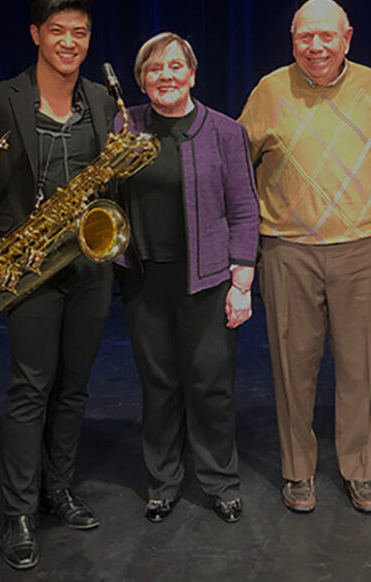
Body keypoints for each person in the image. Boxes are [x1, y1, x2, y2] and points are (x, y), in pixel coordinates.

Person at [0, 0, 115, 570]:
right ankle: (19, 511)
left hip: (88, 263)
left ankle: (58, 489)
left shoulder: (102, 101)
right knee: (29, 388)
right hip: (26, 266)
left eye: (79, 31)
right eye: (57, 30)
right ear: (35, 35)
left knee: (73, 387)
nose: (69, 41)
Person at [238, 0, 371, 514]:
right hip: (289, 252)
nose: (315, 47)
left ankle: (360, 470)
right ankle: (298, 471)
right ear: (292, 39)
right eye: (304, 37)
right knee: (294, 367)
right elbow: (235, 163)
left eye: (326, 36)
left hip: (365, 247)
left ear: (347, 38)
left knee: (363, 367)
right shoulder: (269, 89)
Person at [115, 32, 259, 524]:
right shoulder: (124, 125)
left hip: (209, 279)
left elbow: (244, 209)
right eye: (155, 69)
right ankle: (163, 481)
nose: (166, 76)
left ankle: (220, 480)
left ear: (192, 74)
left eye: (176, 67)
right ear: (142, 80)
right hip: (145, 278)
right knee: (159, 385)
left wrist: (242, 282)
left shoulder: (224, 131)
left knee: (211, 385)